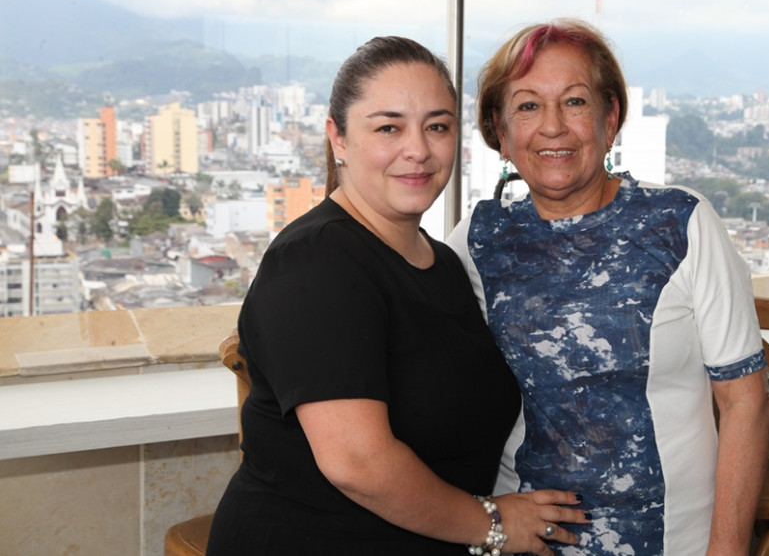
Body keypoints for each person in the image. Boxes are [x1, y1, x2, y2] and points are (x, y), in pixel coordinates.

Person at [206, 36, 588, 555]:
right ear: (337, 138)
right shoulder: (316, 263)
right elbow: (358, 464)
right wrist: (493, 525)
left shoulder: (443, 263)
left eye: (437, 126)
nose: (419, 149)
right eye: (389, 127)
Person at [447, 19, 769, 555]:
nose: (552, 126)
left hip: (675, 539)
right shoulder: (480, 239)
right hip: (528, 539)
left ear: (610, 117)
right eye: (527, 106)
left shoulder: (679, 224)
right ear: (500, 134)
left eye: (574, 102)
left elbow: (747, 405)